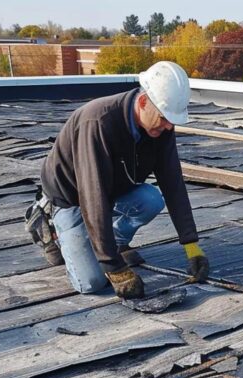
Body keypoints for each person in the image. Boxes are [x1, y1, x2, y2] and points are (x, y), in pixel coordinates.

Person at [28, 61, 209, 300]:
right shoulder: (98, 122)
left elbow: (172, 181)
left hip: (114, 189)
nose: (169, 127)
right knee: (91, 282)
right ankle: (48, 223)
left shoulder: (160, 125)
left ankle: (112, 242)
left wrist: (190, 243)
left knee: (151, 199)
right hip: (71, 198)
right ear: (143, 102)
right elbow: (93, 197)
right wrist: (114, 267)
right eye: (164, 118)